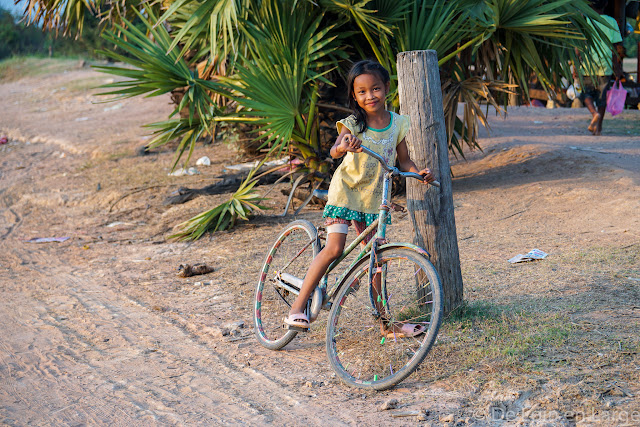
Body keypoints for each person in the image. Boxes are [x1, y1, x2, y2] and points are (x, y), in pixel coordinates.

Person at [283, 59, 435, 337]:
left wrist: (419, 173)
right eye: (362, 92)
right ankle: (297, 307)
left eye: (375, 89)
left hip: (375, 199)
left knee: (376, 261)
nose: (370, 96)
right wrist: (345, 146)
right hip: (346, 193)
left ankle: (386, 325)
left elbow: (404, 160)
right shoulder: (354, 123)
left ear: (387, 87)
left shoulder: (398, 123)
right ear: (354, 95)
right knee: (334, 248)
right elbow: (335, 150)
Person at [575, 0, 623, 135]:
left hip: (587, 66)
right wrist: (617, 68)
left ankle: (594, 113)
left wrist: (576, 66)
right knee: (602, 98)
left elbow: (578, 48)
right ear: (606, 4)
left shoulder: (585, 22)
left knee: (586, 94)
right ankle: (599, 128)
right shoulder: (612, 22)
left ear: (590, 5)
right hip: (605, 66)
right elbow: (615, 48)